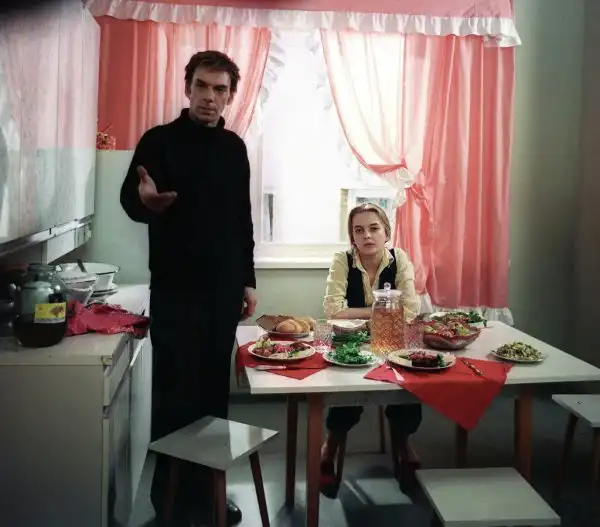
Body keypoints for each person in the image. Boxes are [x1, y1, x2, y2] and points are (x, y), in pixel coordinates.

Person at [120, 51, 257, 526]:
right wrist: (148, 204)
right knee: (175, 396)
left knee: (213, 397)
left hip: (223, 292)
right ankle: (171, 502)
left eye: (220, 89)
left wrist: (248, 280)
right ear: (187, 88)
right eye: (202, 86)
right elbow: (129, 199)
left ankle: (210, 497)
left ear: (230, 97)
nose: (209, 97)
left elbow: (242, 219)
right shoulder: (158, 141)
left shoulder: (234, 148)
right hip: (175, 290)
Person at [321, 202, 422, 497]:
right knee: (347, 390)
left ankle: (402, 443)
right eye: (359, 230)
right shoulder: (342, 260)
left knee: (407, 382)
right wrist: (384, 308)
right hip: (352, 340)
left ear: (386, 232)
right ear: (352, 237)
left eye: (374, 228)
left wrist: (360, 312)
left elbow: (410, 309)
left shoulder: (399, 258)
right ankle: (329, 447)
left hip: (392, 340)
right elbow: (332, 310)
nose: (367, 235)